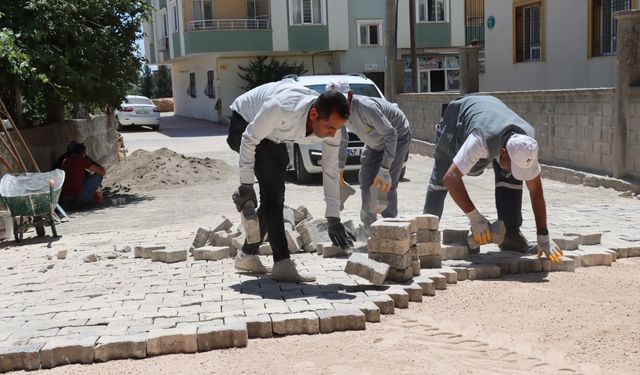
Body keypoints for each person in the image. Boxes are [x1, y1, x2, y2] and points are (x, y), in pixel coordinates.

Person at [228, 79, 355, 282]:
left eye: (337, 129)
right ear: (314, 115)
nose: (333, 134)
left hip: (274, 135)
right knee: (273, 194)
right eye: (329, 128)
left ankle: (247, 255)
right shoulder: (282, 107)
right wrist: (246, 185)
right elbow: (249, 138)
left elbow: (330, 170)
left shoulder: (332, 127)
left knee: (274, 196)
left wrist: (334, 217)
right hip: (244, 123)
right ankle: (282, 264)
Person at [423, 95, 563, 263]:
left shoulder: (527, 146)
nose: (515, 170)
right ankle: (425, 238)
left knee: (511, 177)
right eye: (513, 165)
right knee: (440, 178)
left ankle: (511, 236)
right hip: (457, 126)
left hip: (494, 123)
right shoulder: (480, 140)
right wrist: (475, 218)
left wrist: (543, 235)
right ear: (503, 153)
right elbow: (451, 178)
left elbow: (536, 191)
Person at [326, 80, 412, 227]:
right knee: (366, 180)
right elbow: (341, 139)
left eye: (340, 100)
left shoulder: (367, 108)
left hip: (397, 136)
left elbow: (391, 134)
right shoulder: (336, 113)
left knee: (385, 184)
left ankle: (390, 228)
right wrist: (340, 169)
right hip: (375, 141)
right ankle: (369, 229)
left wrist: (385, 168)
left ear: (350, 95)